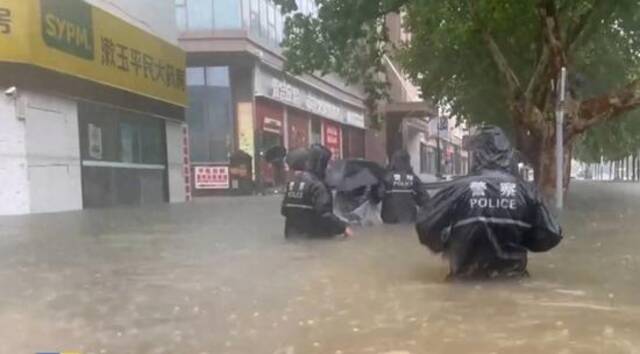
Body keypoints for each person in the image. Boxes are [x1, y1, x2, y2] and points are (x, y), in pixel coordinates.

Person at [416, 126, 562, 280]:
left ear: (477, 154)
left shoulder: (458, 188)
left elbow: (425, 225)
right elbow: (551, 233)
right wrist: (525, 238)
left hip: (464, 283)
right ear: (508, 154)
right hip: (513, 283)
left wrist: (446, 243)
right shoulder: (526, 192)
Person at [281, 144, 353, 239]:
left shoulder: (292, 183)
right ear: (320, 164)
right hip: (313, 239)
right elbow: (325, 214)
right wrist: (343, 228)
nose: (329, 168)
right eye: (327, 163)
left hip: (291, 236)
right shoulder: (318, 186)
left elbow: (284, 211)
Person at [376, 150, 430, 224]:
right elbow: (425, 200)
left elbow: (378, 196)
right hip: (409, 220)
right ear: (408, 162)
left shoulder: (387, 177)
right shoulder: (414, 178)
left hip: (390, 220)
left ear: (394, 162)